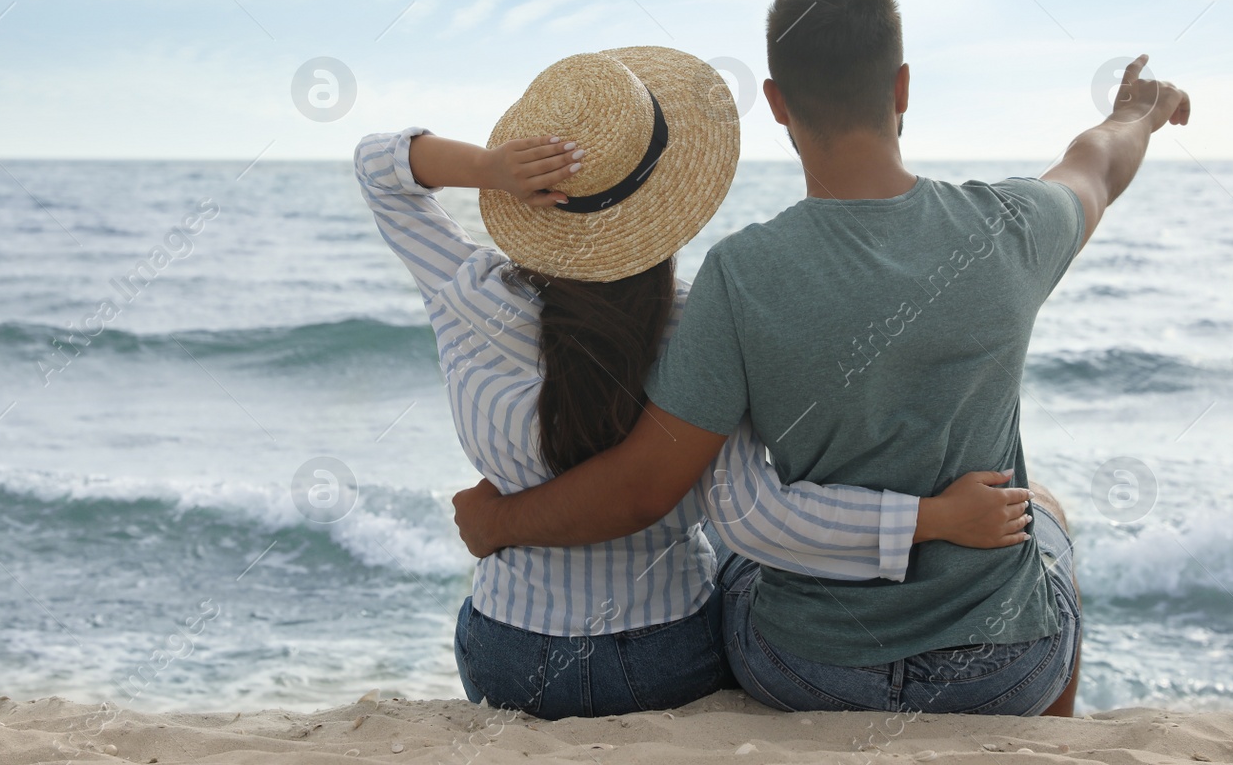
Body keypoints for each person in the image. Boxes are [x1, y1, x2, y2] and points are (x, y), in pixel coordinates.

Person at [451, 0, 1191, 718]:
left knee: (736, 552)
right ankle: (1044, 740)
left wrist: (500, 522)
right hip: (995, 671)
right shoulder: (1011, 228)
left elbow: (647, 485)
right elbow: (1097, 164)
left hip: (805, 668)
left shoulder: (740, 274)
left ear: (776, 103)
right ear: (901, 87)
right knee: (1047, 516)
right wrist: (1138, 111)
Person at [356, 46, 1029, 720]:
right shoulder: (699, 324)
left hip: (507, 656)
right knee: (744, 561)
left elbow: (378, 165)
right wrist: (932, 518)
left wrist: (488, 169)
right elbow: (751, 512)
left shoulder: (465, 291)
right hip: (662, 658)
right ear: (667, 199)